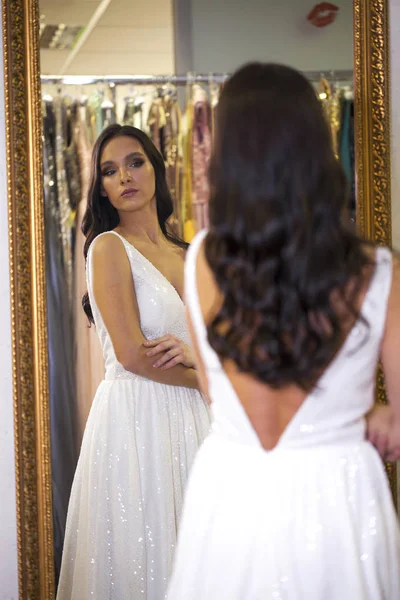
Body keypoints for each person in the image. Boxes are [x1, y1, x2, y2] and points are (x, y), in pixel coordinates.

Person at [167, 63, 400, 599]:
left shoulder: (199, 257)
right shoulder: (377, 271)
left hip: (231, 493)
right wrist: (364, 416)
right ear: (317, 150)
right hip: (337, 498)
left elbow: (214, 390)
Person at [57, 124, 210, 600]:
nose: (124, 176)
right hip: (138, 418)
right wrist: (209, 378)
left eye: (135, 162)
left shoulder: (188, 254)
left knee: (199, 551)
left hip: (198, 417)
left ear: (156, 170)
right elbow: (131, 355)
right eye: (109, 170)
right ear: (100, 186)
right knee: (143, 554)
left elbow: (219, 345)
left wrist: (198, 361)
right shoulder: (108, 247)